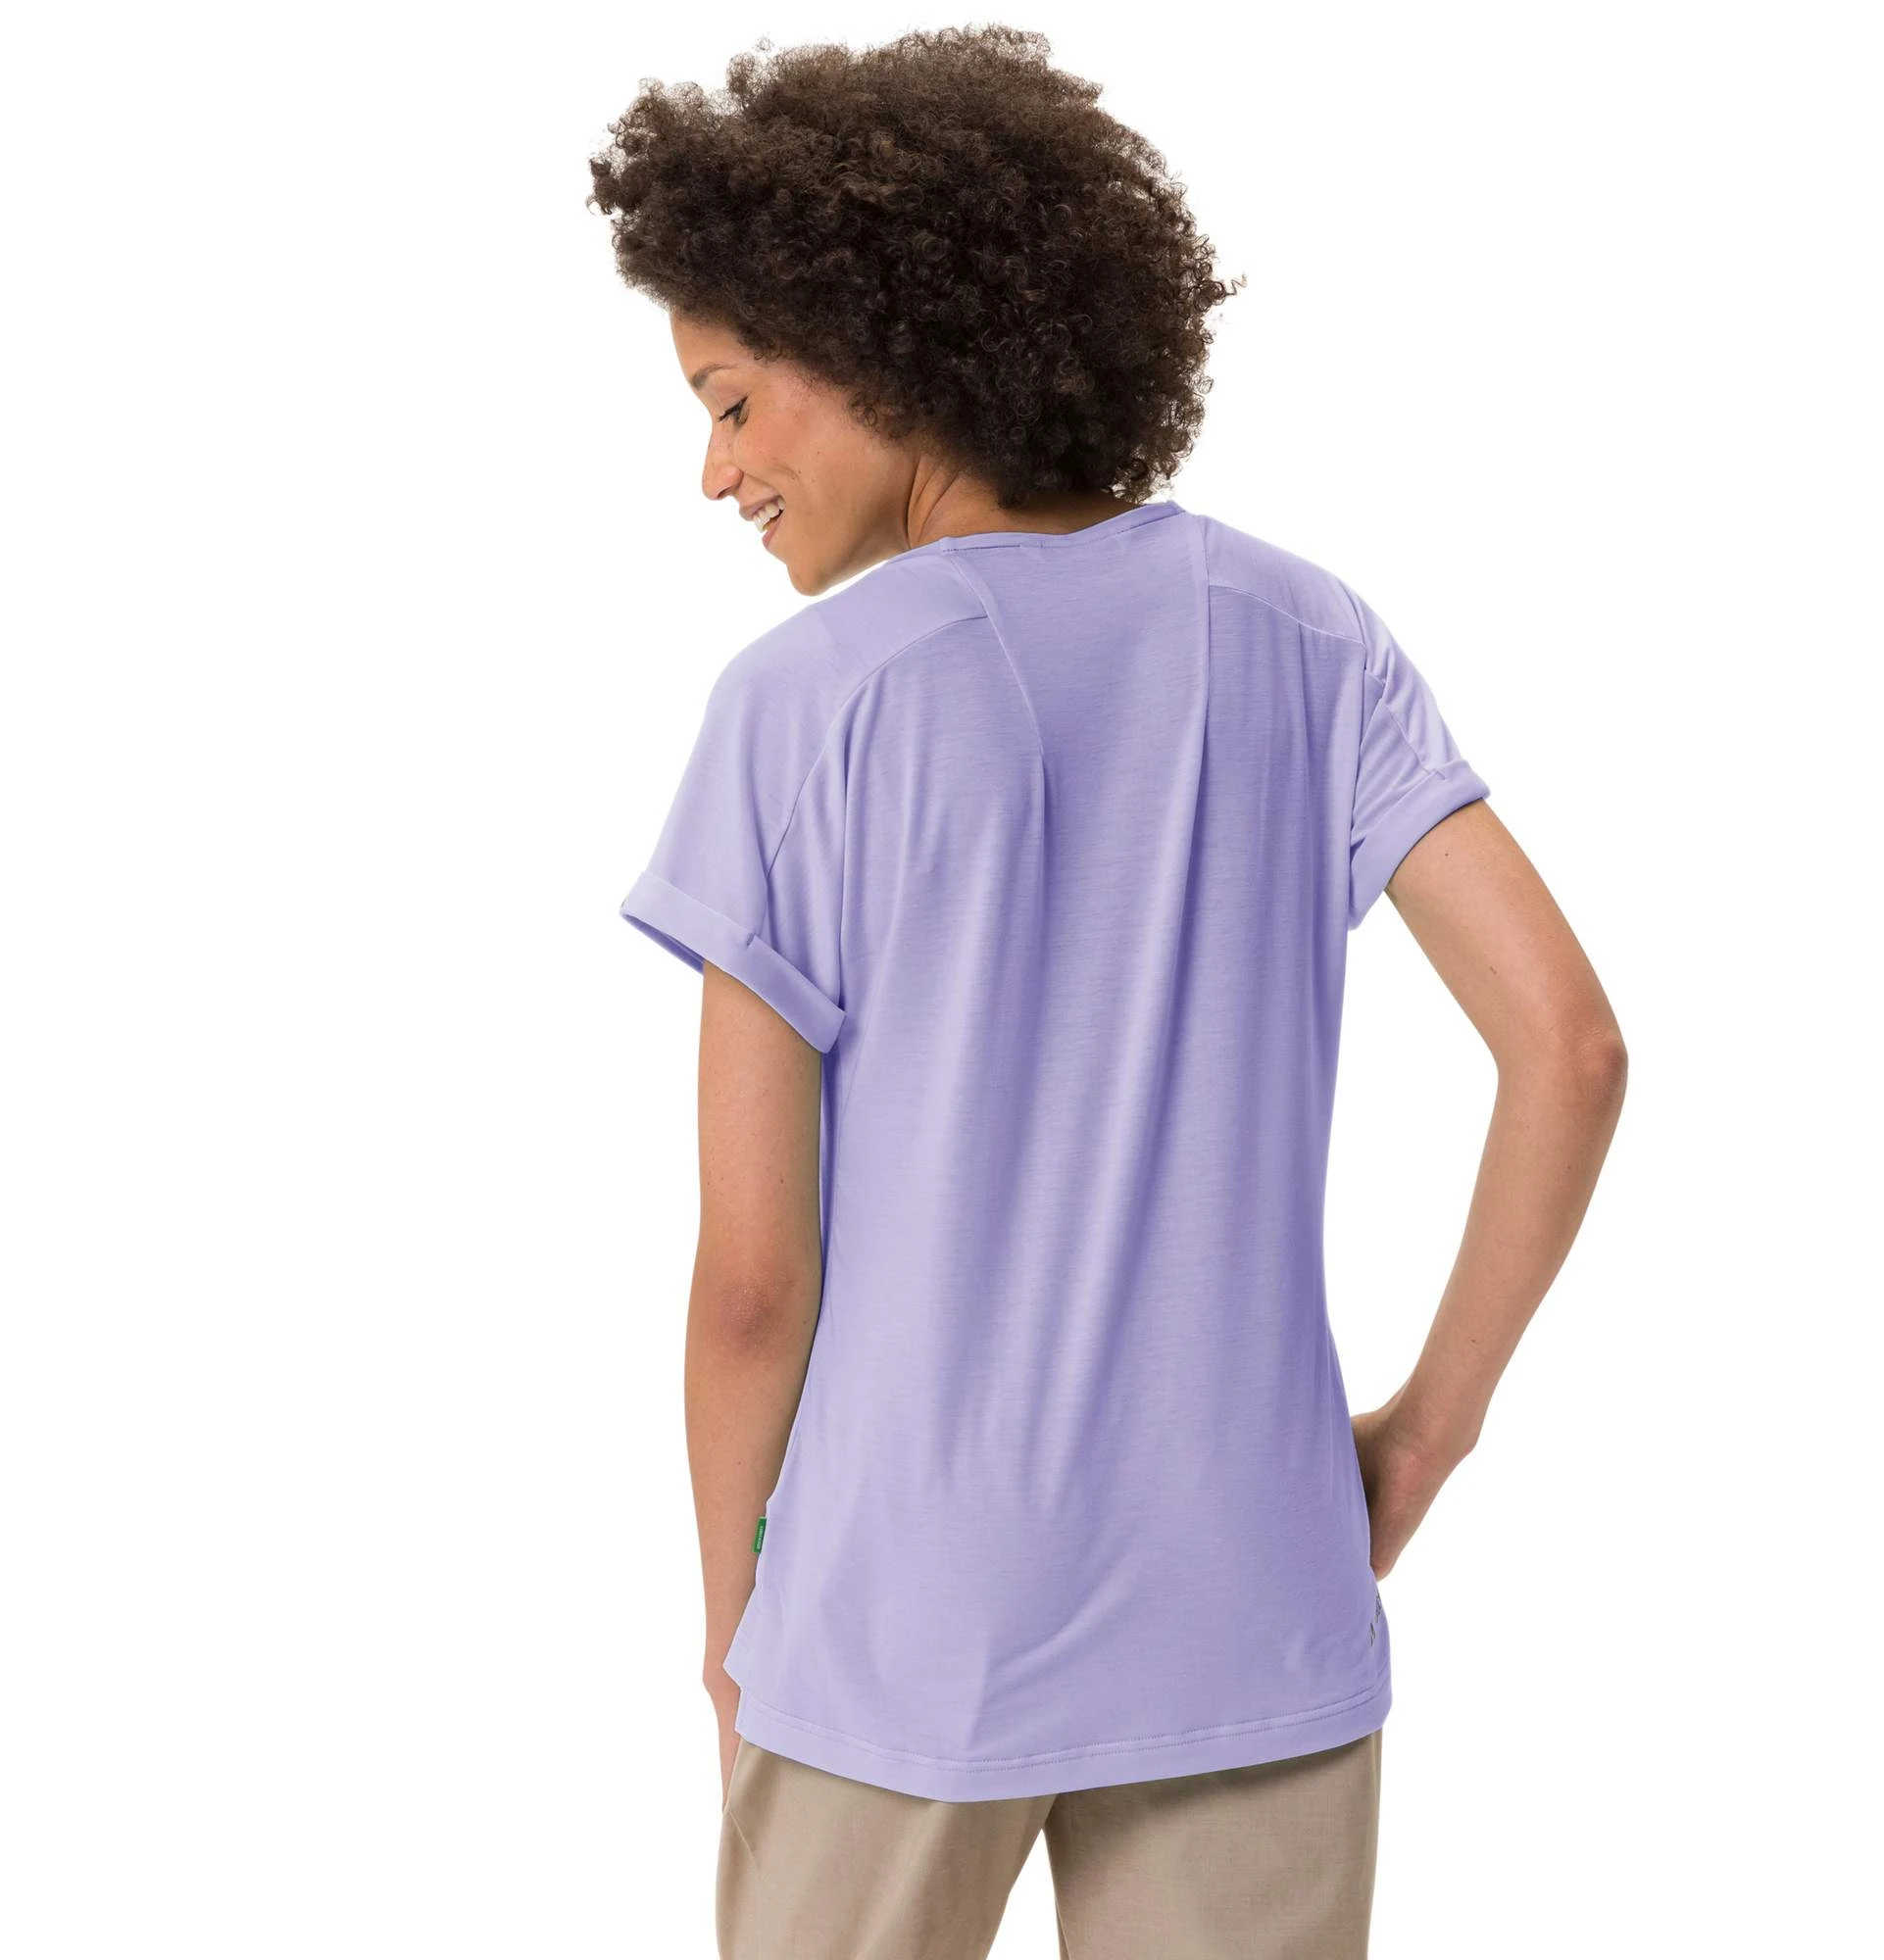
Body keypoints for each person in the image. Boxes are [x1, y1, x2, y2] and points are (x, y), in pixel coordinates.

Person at [593, 26, 1626, 1960]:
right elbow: (1567, 1045)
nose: (713, 469)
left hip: (895, 1640)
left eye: (731, 403)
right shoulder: (1310, 636)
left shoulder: (805, 707)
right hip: (1254, 1614)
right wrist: (1421, 1437)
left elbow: (751, 1285)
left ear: (883, 345)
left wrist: (736, 1628)